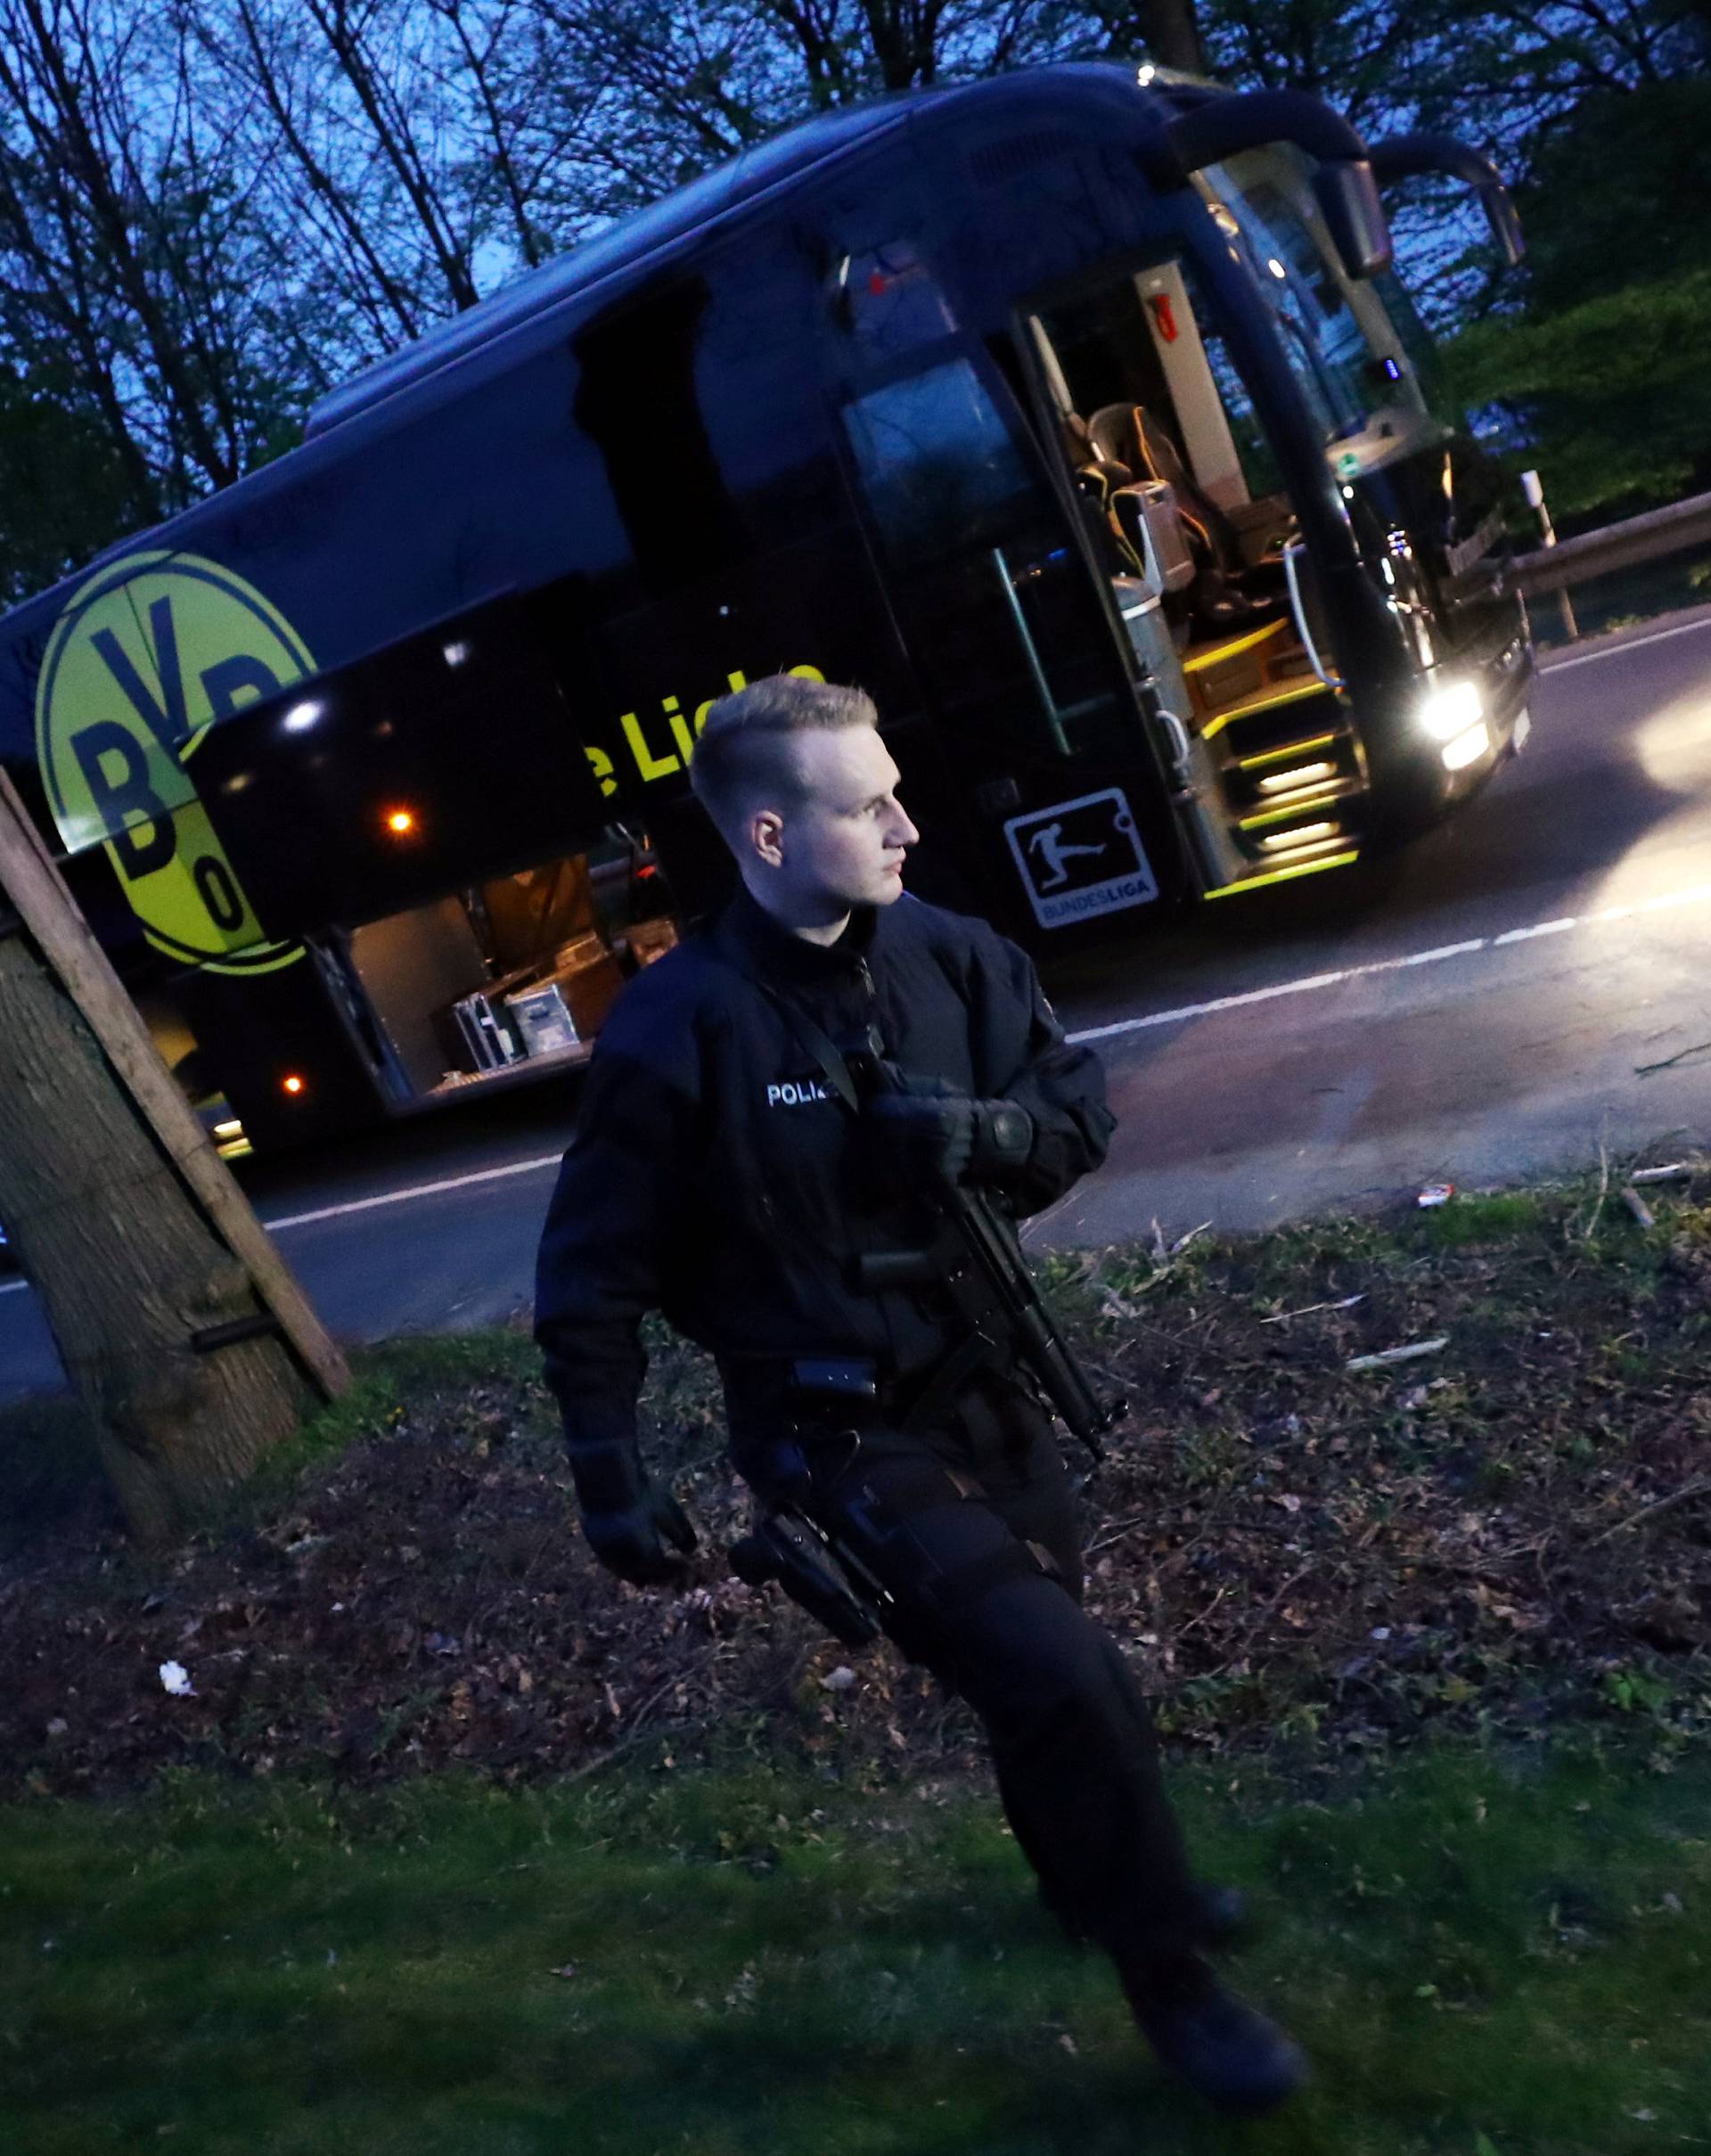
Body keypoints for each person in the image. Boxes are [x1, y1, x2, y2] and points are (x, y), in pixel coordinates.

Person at [534, 675, 1306, 2115]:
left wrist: (983, 1131)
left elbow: (1077, 1113)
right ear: (766, 835)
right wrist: (609, 1470)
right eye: (862, 802)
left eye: (893, 786)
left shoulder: (952, 959)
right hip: (835, 1432)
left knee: (1040, 1686)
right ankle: (1174, 1983)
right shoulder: (678, 1028)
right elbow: (591, 1271)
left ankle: (1085, 1888)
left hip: (987, 1387)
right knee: (1072, 1679)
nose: (905, 820)